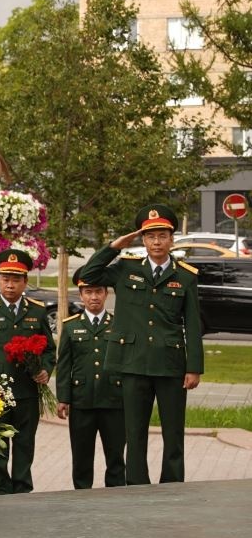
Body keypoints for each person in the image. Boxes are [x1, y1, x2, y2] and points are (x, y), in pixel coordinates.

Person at [78, 203, 203, 485]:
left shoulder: (185, 275)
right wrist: (113, 247)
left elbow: (193, 325)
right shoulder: (126, 268)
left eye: (162, 236)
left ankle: (172, 486)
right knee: (134, 433)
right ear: (143, 240)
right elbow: (88, 276)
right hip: (133, 363)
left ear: (172, 239)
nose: (156, 242)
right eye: (150, 236)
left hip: (171, 366)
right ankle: (137, 487)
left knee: (174, 433)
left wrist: (194, 367)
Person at [0, 249, 56, 495]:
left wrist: (46, 371)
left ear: (25, 282)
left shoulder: (37, 311)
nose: (10, 284)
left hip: (27, 392)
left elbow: (49, 349)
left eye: (16, 279)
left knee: (25, 445)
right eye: (5, 278)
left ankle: (22, 491)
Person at [56, 269, 126, 489]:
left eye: (98, 291)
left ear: (106, 294)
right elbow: (64, 364)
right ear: (81, 295)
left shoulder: (119, 324)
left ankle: (115, 496)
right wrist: (63, 398)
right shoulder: (71, 326)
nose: (93, 297)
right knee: (82, 456)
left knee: (115, 456)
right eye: (88, 292)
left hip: (113, 400)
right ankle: (82, 497)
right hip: (82, 401)